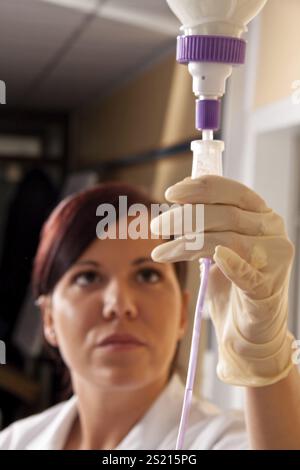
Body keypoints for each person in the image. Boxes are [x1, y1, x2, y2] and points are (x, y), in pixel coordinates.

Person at [0, 178, 299, 450]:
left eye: (147, 275)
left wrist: (265, 356)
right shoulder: (15, 442)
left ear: (183, 312)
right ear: (49, 318)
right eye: (88, 278)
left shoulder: (221, 441)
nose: (120, 305)